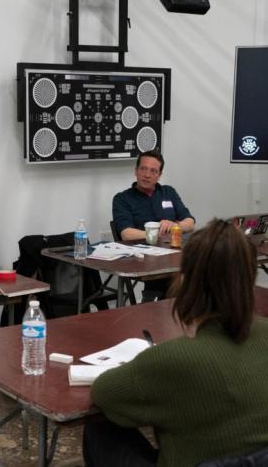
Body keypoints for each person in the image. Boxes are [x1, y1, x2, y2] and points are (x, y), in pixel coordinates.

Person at [83, 219, 268, 466]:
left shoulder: (172, 359)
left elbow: (104, 392)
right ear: (250, 278)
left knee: (100, 428)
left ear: (185, 280)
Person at [112, 150, 195, 301]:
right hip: (145, 259)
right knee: (184, 277)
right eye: (143, 169)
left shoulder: (168, 192)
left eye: (153, 171)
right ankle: (163, 304)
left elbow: (190, 222)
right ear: (136, 171)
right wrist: (158, 233)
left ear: (159, 175)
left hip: (174, 255)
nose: (147, 175)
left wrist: (175, 226)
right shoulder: (122, 199)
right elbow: (126, 233)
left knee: (204, 264)